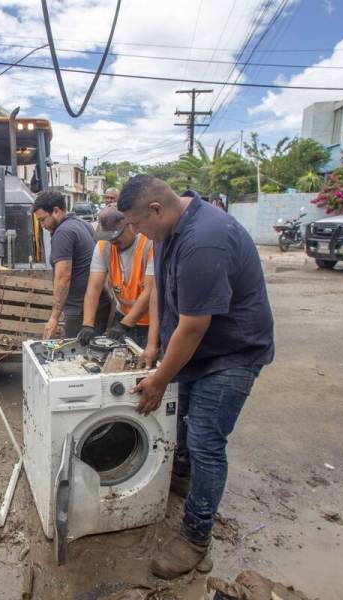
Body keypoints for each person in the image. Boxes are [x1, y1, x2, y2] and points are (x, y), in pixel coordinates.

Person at [117, 176, 274, 579]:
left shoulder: (205, 239)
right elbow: (165, 301)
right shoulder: (167, 230)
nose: (133, 233)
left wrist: (159, 379)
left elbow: (193, 327)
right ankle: (183, 480)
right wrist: (155, 352)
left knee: (205, 440)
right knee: (179, 422)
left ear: (156, 209)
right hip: (195, 350)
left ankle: (195, 537)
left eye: (135, 223)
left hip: (231, 353)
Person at [32, 190, 110, 339]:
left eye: (43, 220)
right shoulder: (81, 223)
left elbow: (63, 277)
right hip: (97, 304)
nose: (42, 225)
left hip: (80, 310)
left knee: (77, 358)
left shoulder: (63, 233)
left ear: (56, 210)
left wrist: (54, 317)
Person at [78, 206, 154, 348]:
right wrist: (88, 324)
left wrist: (125, 325)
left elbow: (150, 292)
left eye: (116, 236)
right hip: (122, 316)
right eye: (108, 238)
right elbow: (94, 288)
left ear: (129, 225)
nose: (112, 241)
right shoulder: (103, 246)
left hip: (151, 322)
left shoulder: (149, 244)